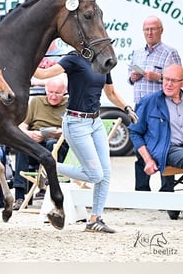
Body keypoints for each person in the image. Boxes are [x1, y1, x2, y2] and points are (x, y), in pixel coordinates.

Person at [34, 50, 138, 233]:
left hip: (95, 122)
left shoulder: (104, 62)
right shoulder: (73, 59)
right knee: (94, 175)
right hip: (76, 123)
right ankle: (50, 166)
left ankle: (94, 219)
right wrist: (28, 56)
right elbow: (43, 74)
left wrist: (127, 108)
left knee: (105, 174)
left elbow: (111, 92)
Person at [128, 15, 182, 193]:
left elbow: (175, 78)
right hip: (139, 106)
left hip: (161, 108)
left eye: (153, 29)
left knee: (164, 146)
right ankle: (142, 192)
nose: (149, 33)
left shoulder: (169, 52)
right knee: (140, 152)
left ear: (161, 30)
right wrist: (132, 77)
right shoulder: (137, 52)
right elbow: (129, 78)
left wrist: (157, 77)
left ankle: (167, 193)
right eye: (146, 29)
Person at [128, 64, 183, 220]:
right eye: (166, 79)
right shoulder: (149, 101)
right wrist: (147, 159)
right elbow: (135, 132)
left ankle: (177, 201)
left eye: (174, 80)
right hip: (166, 149)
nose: (168, 84)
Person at [12, 77, 69, 210]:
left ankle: (51, 190)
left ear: (64, 92)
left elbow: (72, 130)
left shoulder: (69, 105)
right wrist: (30, 135)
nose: (53, 96)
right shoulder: (36, 102)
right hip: (37, 143)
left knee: (52, 144)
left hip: (58, 145)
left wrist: (53, 133)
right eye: (50, 92)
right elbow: (22, 126)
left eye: (58, 93)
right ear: (45, 90)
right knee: (22, 148)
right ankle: (20, 196)